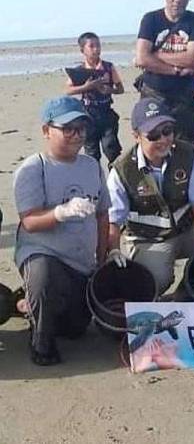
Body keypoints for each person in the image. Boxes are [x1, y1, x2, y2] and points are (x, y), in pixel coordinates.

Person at [106, 98, 194, 296]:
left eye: (167, 131)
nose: (163, 139)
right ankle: (172, 283)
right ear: (136, 136)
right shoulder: (122, 169)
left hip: (188, 229)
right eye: (153, 135)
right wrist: (113, 250)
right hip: (149, 239)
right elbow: (113, 220)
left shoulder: (187, 153)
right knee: (154, 283)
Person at [13, 96, 110, 365]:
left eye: (81, 128)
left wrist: (104, 257)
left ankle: (28, 303)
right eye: (68, 129)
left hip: (80, 262)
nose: (76, 135)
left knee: (75, 329)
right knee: (43, 279)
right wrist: (60, 212)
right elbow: (30, 221)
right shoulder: (34, 168)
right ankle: (40, 344)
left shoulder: (92, 166)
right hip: (44, 253)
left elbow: (103, 214)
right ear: (47, 130)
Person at [135, 0, 194, 152]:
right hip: (153, 92)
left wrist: (154, 55)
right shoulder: (151, 19)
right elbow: (141, 59)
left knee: (186, 145)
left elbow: (190, 59)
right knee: (152, 139)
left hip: (184, 96)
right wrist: (174, 70)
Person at [65, 32, 124, 164]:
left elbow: (121, 89)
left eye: (98, 45)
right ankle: (94, 180)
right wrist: (87, 87)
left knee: (111, 147)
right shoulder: (79, 70)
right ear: (83, 50)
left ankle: (115, 179)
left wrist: (110, 90)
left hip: (106, 112)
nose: (96, 49)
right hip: (88, 113)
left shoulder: (108, 67)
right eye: (91, 46)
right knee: (91, 152)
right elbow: (68, 90)